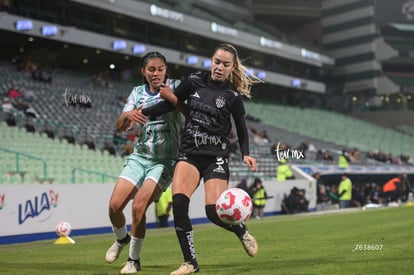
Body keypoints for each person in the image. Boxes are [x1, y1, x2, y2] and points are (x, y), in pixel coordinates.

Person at [141, 43, 261, 275]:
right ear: (211, 60)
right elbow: (169, 104)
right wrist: (141, 113)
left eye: (225, 64)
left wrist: (246, 152)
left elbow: (242, 128)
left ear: (232, 67)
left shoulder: (233, 96)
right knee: (178, 204)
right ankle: (190, 263)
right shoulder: (193, 81)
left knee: (213, 212)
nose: (219, 67)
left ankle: (241, 231)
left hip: (215, 156)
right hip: (189, 153)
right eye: (217, 61)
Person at [105, 52, 183, 274]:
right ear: (144, 72)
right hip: (140, 156)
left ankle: (133, 260)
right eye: (151, 69)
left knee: (139, 207)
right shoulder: (137, 93)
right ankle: (121, 239)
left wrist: (172, 98)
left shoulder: (176, 86)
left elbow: (186, 109)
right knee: (114, 207)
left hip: (165, 160)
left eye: (160, 69)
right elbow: (119, 127)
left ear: (166, 70)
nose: (156, 73)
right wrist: (128, 114)